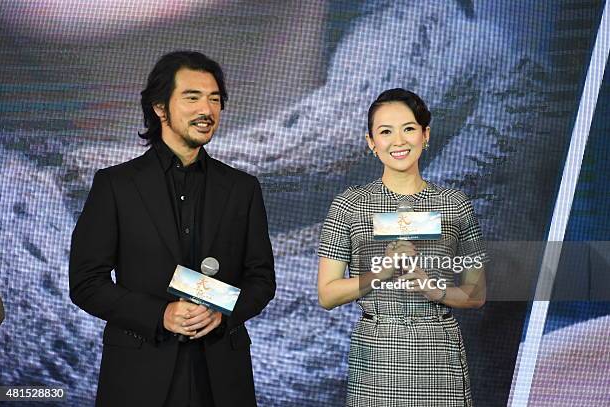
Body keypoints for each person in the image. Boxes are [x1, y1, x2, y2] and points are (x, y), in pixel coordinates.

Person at [69, 51, 275, 407]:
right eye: (192, 97)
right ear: (159, 108)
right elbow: (86, 283)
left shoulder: (243, 188)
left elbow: (261, 280)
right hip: (138, 374)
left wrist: (220, 311)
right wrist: (160, 314)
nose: (207, 110)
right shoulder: (115, 185)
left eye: (215, 99)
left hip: (222, 376)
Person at [317, 88, 487, 406]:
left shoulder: (455, 205)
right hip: (377, 355)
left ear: (425, 134)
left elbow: (476, 294)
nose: (399, 141)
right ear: (371, 142)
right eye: (385, 132)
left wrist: (433, 289)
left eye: (409, 129)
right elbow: (327, 294)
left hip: (439, 356)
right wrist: (376, 275)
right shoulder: (348, 205)